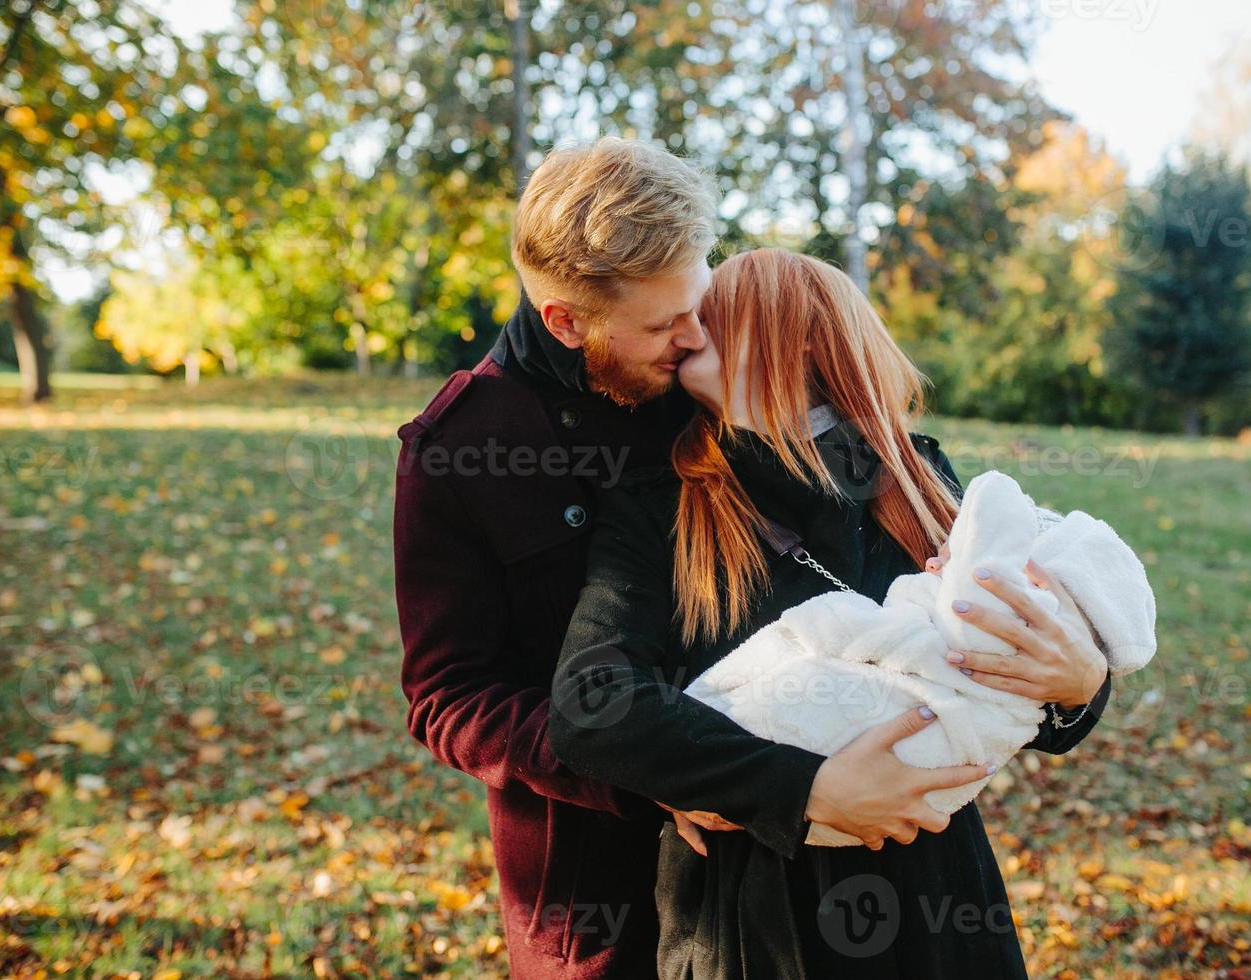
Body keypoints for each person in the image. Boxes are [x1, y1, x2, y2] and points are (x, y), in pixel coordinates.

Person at [549, 248, 1114, 979]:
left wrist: (1082, 686)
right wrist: (800, 789)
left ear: (799, 340)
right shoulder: (662, 502)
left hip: (930, 888)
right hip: (757, 905)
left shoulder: (916, 480)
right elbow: (590, 702)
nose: (688, 331)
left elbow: (1009, 650)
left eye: (715, 317)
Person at [392, 137, 716, 978]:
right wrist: (645, 768)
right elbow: (446, 696)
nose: (694, 338)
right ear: (565, 321)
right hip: (588, 895)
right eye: (661, 323)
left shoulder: (709, 380)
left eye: (697, 303)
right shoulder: (454, 450)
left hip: (763, 858)